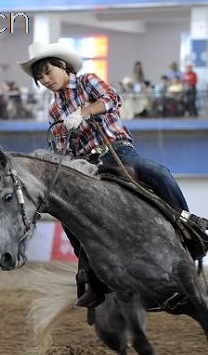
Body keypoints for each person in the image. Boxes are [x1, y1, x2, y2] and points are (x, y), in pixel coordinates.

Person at [19, 41, 190, 308]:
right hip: (86, 164)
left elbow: (112, 99)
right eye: (40, 77)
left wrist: (82, 112)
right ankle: (90, 276)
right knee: (68, 212)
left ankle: (189, 225)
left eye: (48, 71)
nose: (46, 79)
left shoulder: (87, 82)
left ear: (62, 66)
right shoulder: (54, 111)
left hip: (117, 151)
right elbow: (63, 147)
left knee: (156, 171)